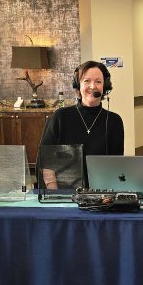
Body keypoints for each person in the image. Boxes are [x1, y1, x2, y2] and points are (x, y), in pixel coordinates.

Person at [39, 60, 124, 189]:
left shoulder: (114, 121)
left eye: (98, 81)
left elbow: (116, 165)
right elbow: (46, 160)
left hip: (101, 194)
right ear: (78, 85)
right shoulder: (61, 116)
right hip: (65, 195)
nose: (92, 86)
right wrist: (56, 195)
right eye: (87, 81)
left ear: (105, 86)